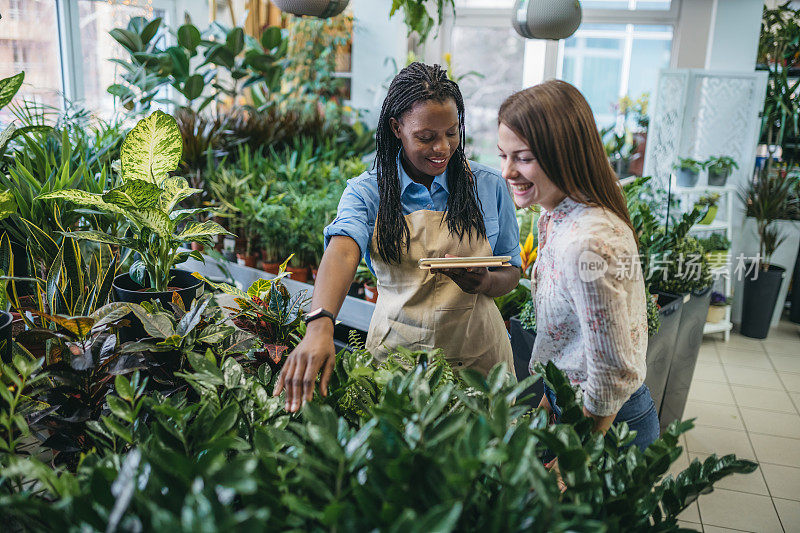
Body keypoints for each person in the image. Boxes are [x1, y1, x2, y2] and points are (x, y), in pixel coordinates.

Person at [274, 62, 522, 412]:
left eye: (452, 133)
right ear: (396, 128)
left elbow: (511, 270)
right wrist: (319, 325)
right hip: (399, 360)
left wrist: (484, 282)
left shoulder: (487, 185)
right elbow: (344, 250)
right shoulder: (368, 192)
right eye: (426, 137)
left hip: (479, 361)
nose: (442, 148)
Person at [497, 80, 658, 451]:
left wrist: (575, 462)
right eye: (503, 155)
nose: (507, 171)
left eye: (522, 157)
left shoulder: (587, 245)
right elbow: (578, 343)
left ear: (564, 153)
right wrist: (548, 401)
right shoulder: (561, 212)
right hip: (573, 407)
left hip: (605, 426)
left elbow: (611, 373)